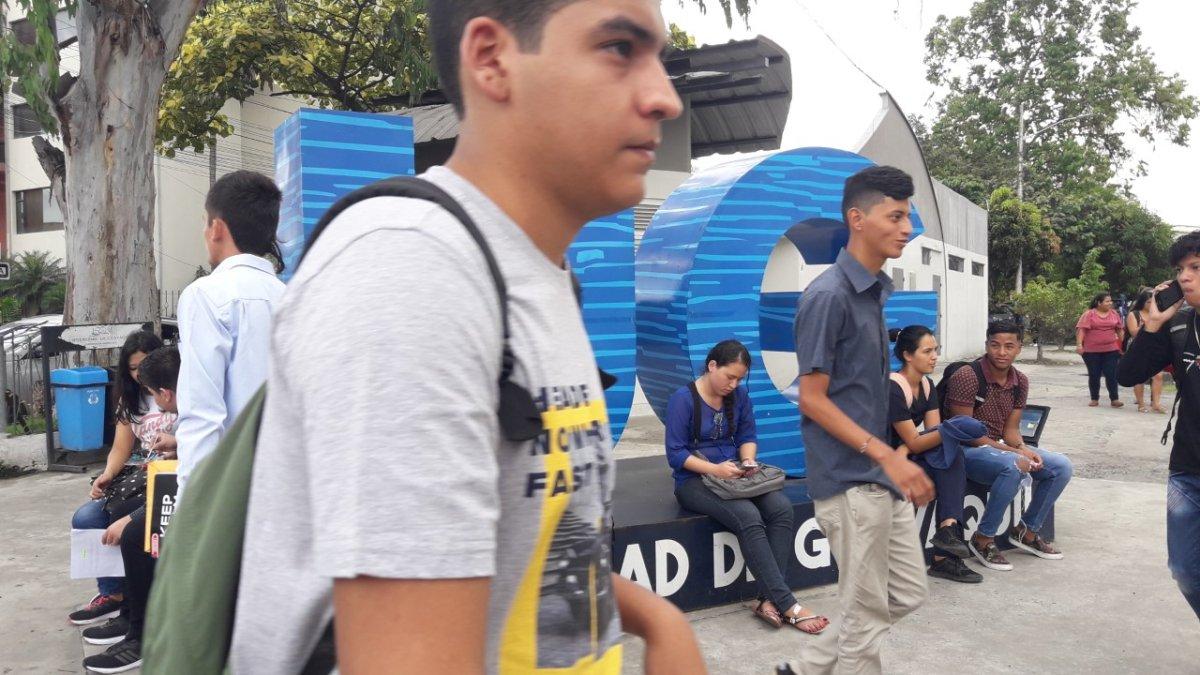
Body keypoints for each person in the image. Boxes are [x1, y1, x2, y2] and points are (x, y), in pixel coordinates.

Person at [229, 2, 702, 673]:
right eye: (620, 47)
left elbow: (528, 551)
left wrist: (658, 617)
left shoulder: (539, 274)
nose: (664, 97)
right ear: (491, 59)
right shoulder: (411, 275)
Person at [82, 171, 286, 674]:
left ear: (216, 228)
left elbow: (202, 416)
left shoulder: (206, 296)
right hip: (281, 487)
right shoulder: (290, 296)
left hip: (225, 491)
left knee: (206, 623)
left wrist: (188, 513)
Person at [791, 165, 933, 674]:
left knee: (906, 594)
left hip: (877, 476)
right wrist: (886, 459)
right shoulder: (828, 296)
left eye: (908, 216)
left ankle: (808, 668)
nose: (906, 227)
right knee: (867, 617)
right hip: (851, 481)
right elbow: (812, 397)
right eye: (895, 216)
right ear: (856, 218)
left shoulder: (873, 291)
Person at [666, 340, 828, 634]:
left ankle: (768, 600)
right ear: (712, 366)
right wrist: (716, 469)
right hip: (696, 480)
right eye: (730, 376)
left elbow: (747, 435)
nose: (734, 384)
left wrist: (747, 460)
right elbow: (675, 454)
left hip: (735, 476)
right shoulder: (684, 399)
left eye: (739, 378)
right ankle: (787, 603)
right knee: (749, 517)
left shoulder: (739, 396)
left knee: (780, 509)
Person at [68, 331, 174, 633]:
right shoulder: (131, 397)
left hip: (167, 476)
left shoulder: (176, 390)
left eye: (145, 365)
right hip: (137, 476)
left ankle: (135, 611)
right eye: (133, 368)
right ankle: (114, 593)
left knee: (124, 523)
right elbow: (121, 446)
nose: (140, 374)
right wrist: (107, 474)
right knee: (87, 516)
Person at [1118, 231, 1200, 620]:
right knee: (1185, 571)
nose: (1185, 278)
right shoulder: (1180, 326)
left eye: (1195, 268)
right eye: (1181, 270)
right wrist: (1153, 326)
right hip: (1188, 468)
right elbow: (1128, 373)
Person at [946, 322, 1074, 572]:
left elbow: (1011, 430)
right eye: (995, 345)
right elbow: (966, 434)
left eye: (1008, 346)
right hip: (964, 450)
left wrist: (1023, 447)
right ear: (986, 346)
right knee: (1014, 465)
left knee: (1061, 466)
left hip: (999, 446)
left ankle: (1026, 531)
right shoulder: (967, 376)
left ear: (1019, 349)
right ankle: (983, 539)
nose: (1001, 352)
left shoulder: (1020, 381)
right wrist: (1016, 453)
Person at [887, 325, 983, 584]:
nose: (934, 357)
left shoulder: (927, 385)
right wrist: (954, 428)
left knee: (951, 453)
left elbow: (931, 433)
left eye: (936, 351)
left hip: (906, 455)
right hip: (883, 461)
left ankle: (948, 533)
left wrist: (945, 432)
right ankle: (945, 552)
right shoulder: (893, 388)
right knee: (951, 447)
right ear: (908, 355)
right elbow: (917, 441)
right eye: (927, 351)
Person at [1076, 292, 1125, 408]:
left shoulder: (1114, 314)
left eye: (1110, 301)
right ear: (1099, 303)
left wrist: (1123, 344)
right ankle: (1094, 398)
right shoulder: (1089, 314)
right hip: (1091, 351)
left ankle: (1114, 399)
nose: (1110, 303)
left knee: (1111, 374)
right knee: (1094, 374)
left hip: (1111, 349)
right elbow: (1081, 330)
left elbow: (1119, 329)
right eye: (1107, 301)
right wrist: (1079, 345)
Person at [1125, 288, 1166, 414]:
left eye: (1153, 301)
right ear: (1142, 302)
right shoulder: (1134, 314)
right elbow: (1133, 332)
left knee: (1158, 375)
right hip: (1138, 347)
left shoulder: (1159, 314)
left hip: (1155, 347)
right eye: (1149, 302)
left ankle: (1156, 403)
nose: (1152, 304)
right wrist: (1149, 323)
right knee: (1139, 376)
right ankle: (1141, 403)